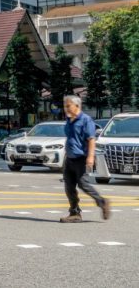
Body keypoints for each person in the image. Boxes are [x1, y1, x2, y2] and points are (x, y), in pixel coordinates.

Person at [59, 95, 111, 223]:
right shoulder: (69, 120)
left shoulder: (86, 120)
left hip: (81, 158)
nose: (66, 108)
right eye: (65, 106)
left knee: (83, 184)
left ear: (77, 106)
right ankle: (75, 213)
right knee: (69, 187)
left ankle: (102, 202)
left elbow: (91, 139)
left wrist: (90, 157)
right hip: (69, 159)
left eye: (68, 106)